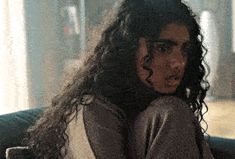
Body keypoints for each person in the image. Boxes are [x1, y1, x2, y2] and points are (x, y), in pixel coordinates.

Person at [8, 0, 214, 158]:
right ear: (129, 49)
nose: (179, 63)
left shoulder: (159, 110)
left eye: (185, 50)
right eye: (162, 48)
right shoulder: (92, 109)